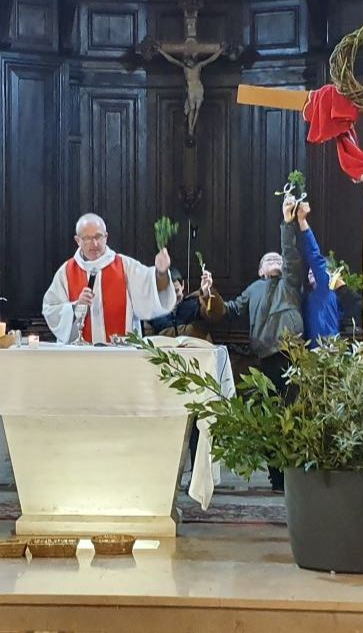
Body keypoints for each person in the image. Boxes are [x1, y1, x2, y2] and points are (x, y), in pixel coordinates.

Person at [202, 197, 305, 491]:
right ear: (260, 271)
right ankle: (277, 478)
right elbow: (229, 310)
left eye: (278, 260)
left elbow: (291, 254)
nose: (275, 261)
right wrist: (210, 294)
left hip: (292, 356)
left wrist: (287, 223)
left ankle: (296, 477)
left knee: (293, 419)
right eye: (268, 260)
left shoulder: (289, 284)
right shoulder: (254, 288)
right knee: (273, 419)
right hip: (266, 359)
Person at [42, 213, 178, 344]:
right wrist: (75, 306)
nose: (94, 244)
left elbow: (151, 294)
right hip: (81, 358)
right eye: (87, 238)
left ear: (106, 237)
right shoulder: (66, 272)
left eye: (98, 237)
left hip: (120, 355)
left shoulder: (126, 266)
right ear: (78, 240)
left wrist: (161, 273)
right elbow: (51, 309)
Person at [295, 203, 341, 347]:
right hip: (313, 353)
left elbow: (314, 256)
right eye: (309, 272)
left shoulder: (325, 288)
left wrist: (302, 222)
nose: (312, 273)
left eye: (315, 271)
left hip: (327, 352)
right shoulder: (307, 295)